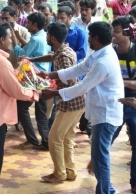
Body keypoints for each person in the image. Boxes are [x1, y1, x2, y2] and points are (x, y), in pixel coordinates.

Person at [41, 21, 124, 194]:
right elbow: (79, 68)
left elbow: (82, 87)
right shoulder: (100, 54)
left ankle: (106, 191)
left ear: (95, 38)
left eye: (89, 37)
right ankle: (106, 189)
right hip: (101, 112)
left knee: (100, 160)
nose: (87, 40)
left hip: (106, 114)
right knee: (98, 157)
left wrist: (54, 93)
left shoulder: (104, 61)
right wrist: (51, 74)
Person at [0, 21, 40, 194]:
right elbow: (16, 90)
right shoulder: (0, 61)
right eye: (9, 38)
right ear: (1, 40)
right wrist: (36, 93)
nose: (11, 41)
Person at [40, 22, 85, 184]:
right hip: (76, 102)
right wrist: (32, 60)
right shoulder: (64, 50)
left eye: (47, 35)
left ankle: (59, 173)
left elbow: (71, 81)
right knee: (66, 138)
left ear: (52, 37)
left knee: (54, 138)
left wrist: (50, 86)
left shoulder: (63, 55)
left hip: (71, 103)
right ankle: (70, 171)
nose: (46, 37)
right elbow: (52, 57)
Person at [111, 16, 136, 194]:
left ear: (128, 34)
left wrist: (121, 82)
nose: (113, 35)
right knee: (106, 141)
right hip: (115, 104)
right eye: (113, 31)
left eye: (117, 32)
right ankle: (97, 167)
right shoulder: (109, 53)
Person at [13, 12, 51, 150]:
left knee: (22, 107)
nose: (26, 25)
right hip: (42, 79)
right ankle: (44, 140)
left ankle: (34, 139)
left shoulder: (36, 40)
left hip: (33, 80)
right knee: (40, 112)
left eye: (28, 23)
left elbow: (21, 55)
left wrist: (13, 39)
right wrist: (18, 37)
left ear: (35, 24)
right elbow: (29, 49)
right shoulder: (42, 37)